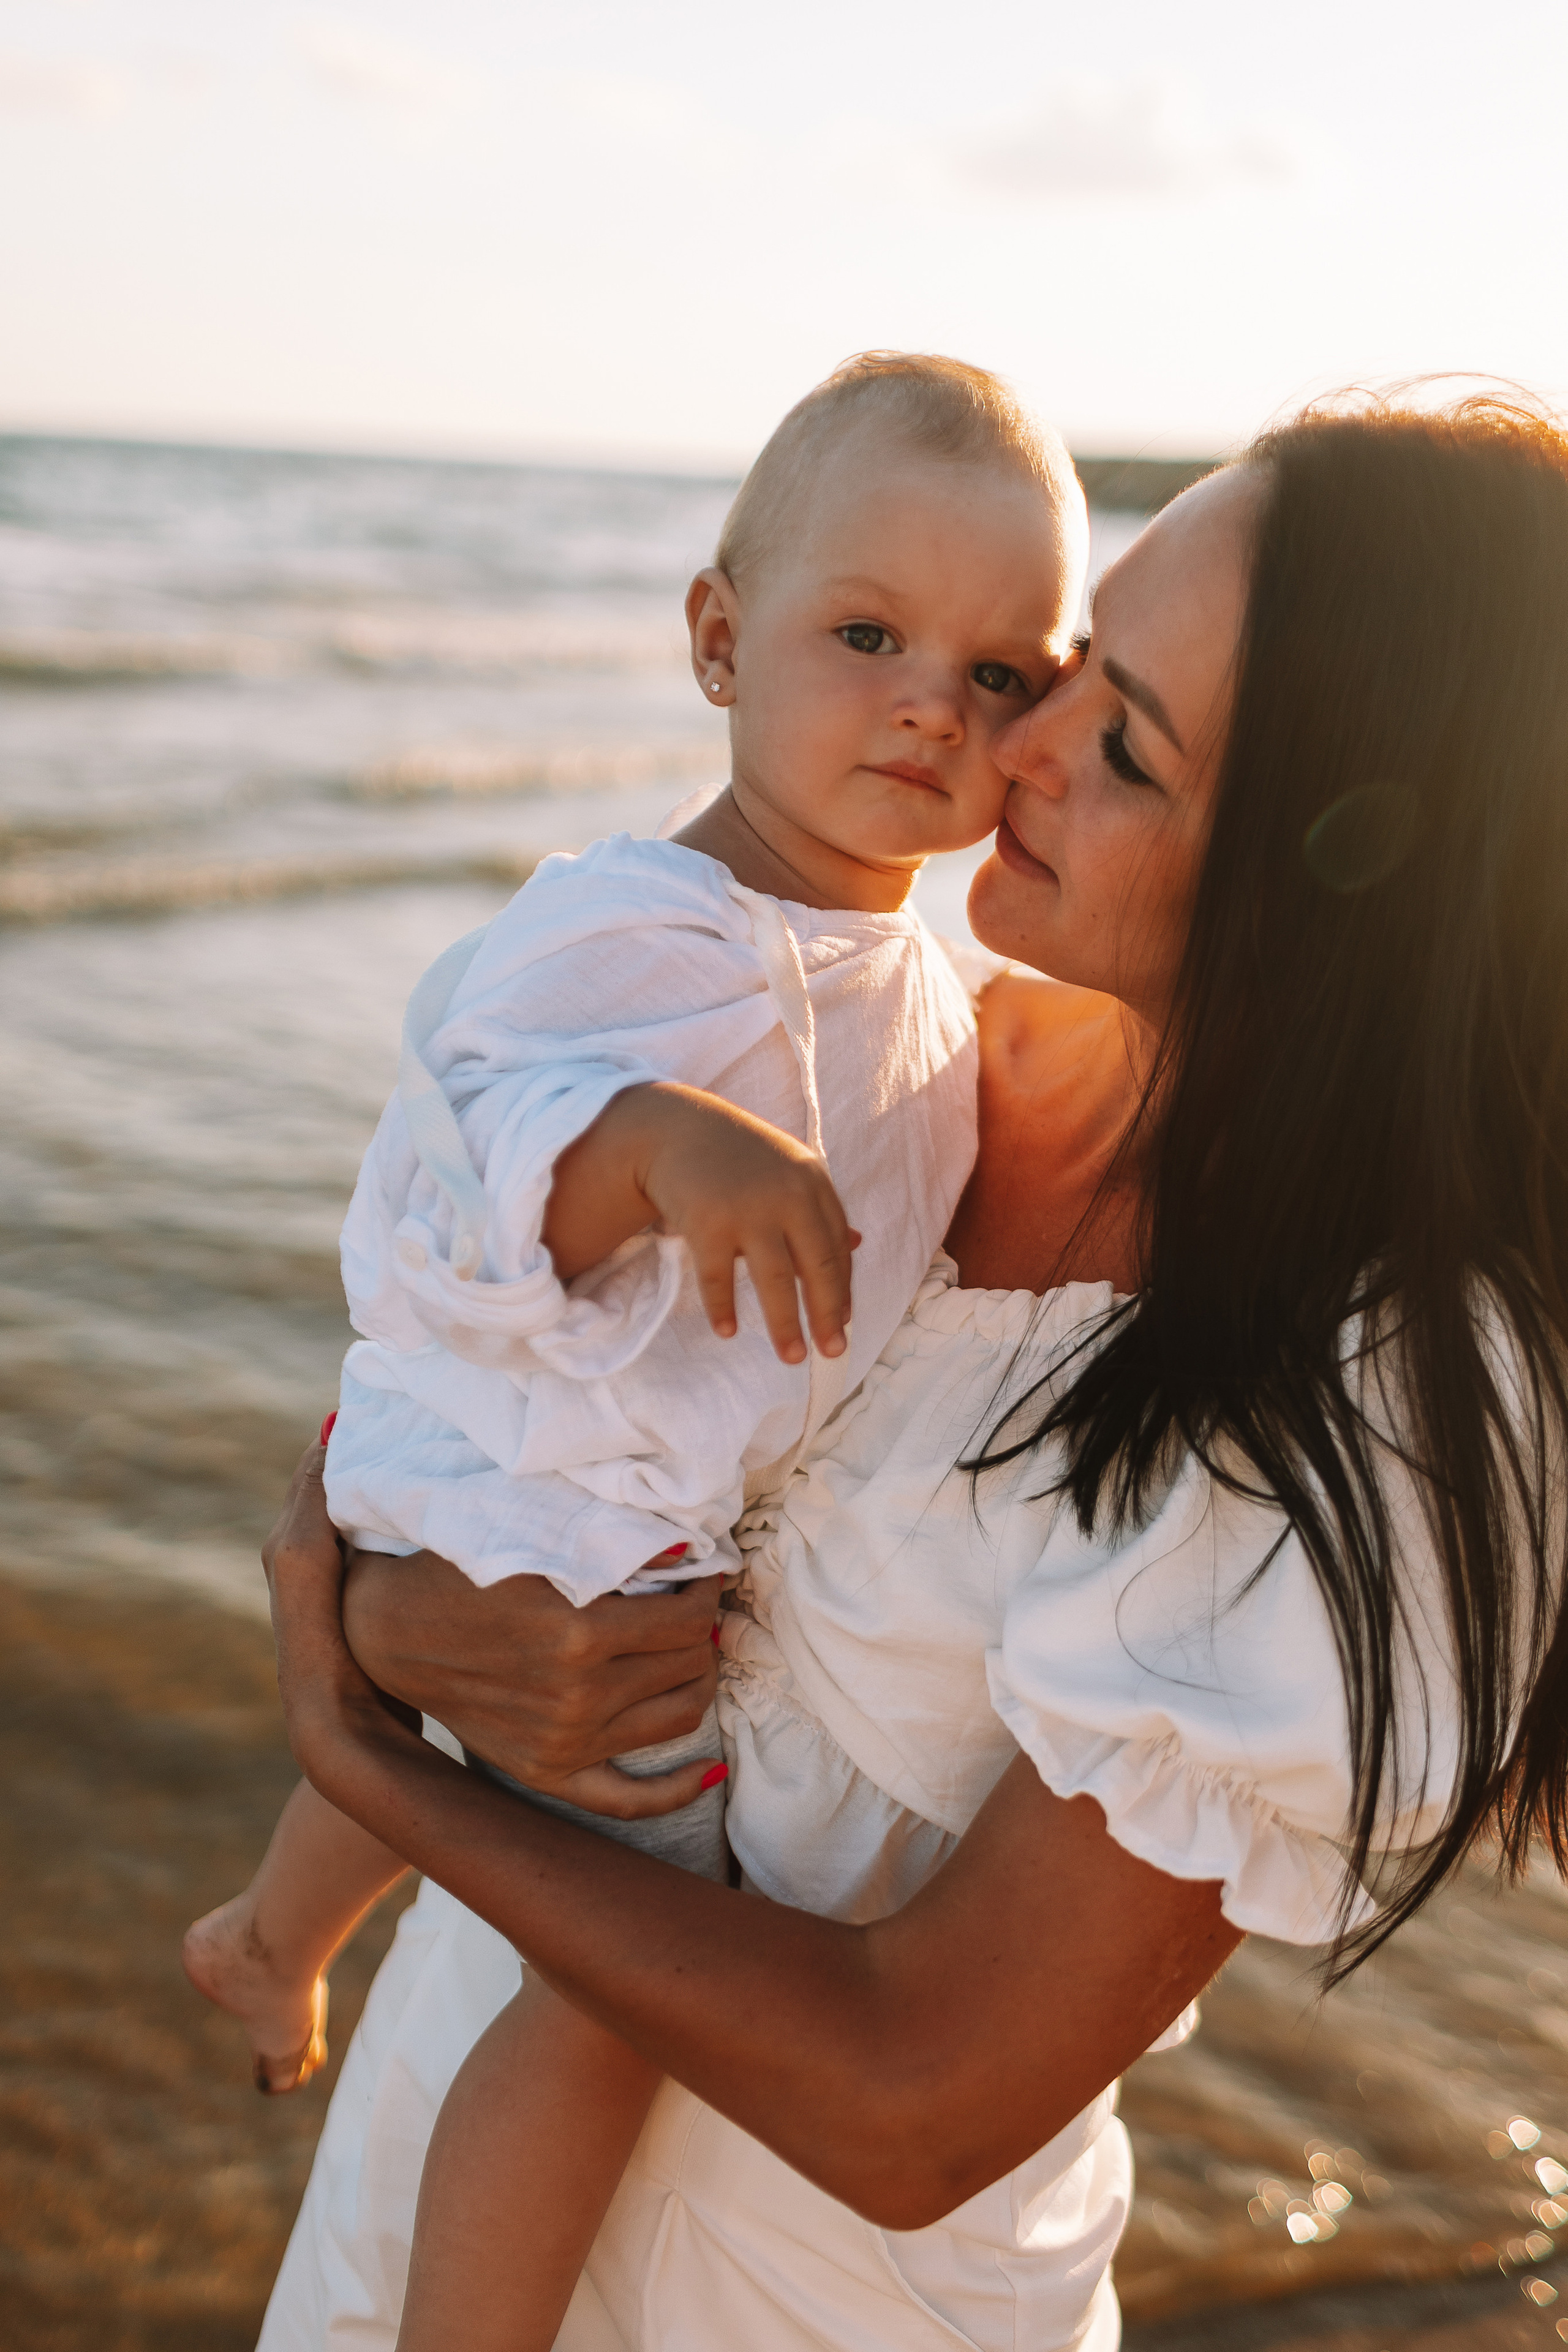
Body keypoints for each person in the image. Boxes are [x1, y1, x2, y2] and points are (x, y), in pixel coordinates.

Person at [258, 389, 1568, 2352]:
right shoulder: (902, 1065)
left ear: (1337, 897)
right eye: (1071, 665)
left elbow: (916, 2099)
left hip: (800, 2297)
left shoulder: (1389, 1392)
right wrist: (393, 1618)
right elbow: (496, 1387)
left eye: (1114, 737)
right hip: (457, 2139)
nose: (1001, 742)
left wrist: (359, 1750)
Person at [184, 353, 1087, 2351]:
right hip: (536, 1447)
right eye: (868, 636)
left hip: (606, 1494)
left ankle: (271, 1941)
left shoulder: (925, 989)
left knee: (460, 1739)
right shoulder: (638, 922)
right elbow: (467, 1120)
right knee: (605, 1996)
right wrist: (648, 1152)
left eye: (1002, 672)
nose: (935, 701)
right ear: (714, 640)